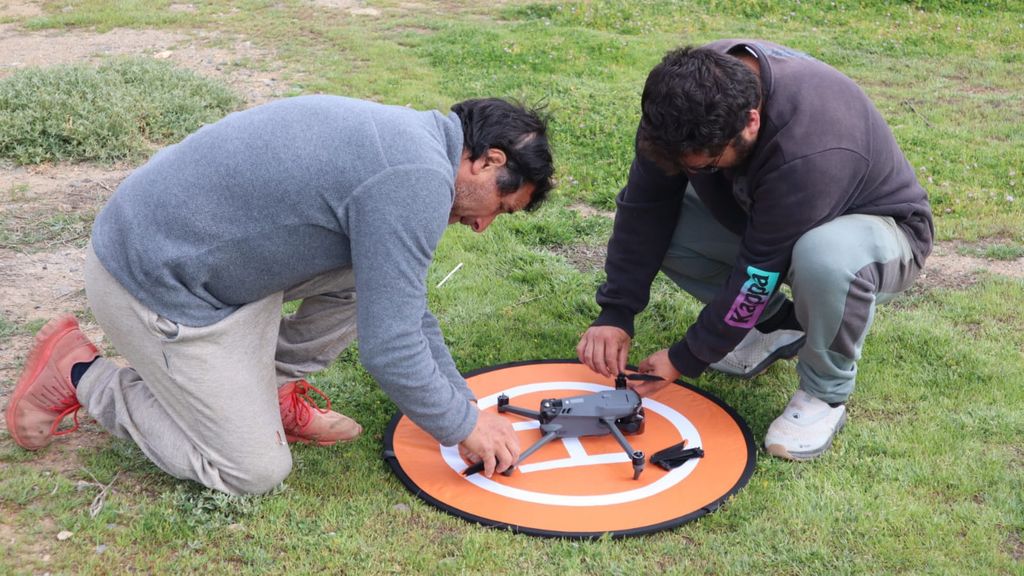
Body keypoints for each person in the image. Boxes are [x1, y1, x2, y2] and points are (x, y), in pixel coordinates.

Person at [6, 95, 554, 494]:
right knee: (252, 471)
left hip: (199, 256)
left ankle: (269, 388)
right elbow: (389, 348)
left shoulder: (415, 144)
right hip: (155, 285)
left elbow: (403, 311)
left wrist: (464, 406)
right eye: (500, 209)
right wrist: (463, 426)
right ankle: (81, 374)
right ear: (489, 161)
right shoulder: (415, 181)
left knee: (374, 280)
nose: (482, 227)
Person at [577, 40, 932, 461]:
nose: (695, 173)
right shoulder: (678, 103)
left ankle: (825, 395)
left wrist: (686, 356)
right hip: (767, 217)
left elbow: (757, 273)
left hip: (880, 237)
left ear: (750, 121)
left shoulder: (810, 146)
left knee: (823, 257)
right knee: (666, 229)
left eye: (707, 165)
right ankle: (776, 328)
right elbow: (646, 207)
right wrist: (616, 312)